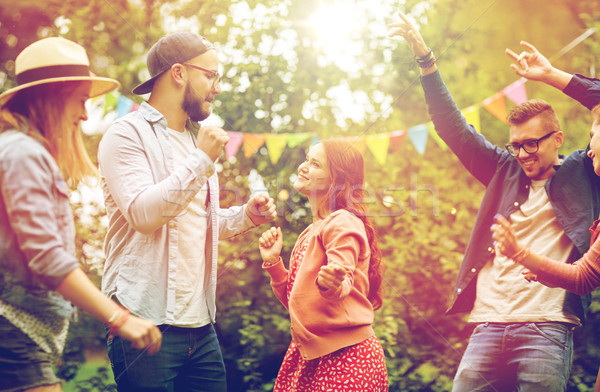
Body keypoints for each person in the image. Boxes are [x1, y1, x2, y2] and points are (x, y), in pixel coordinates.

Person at [389, 12, 600, 392]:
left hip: (547, 327)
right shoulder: (503, 169)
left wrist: (551, 75)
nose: (521, 154)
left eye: (531, 143)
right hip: (486, 325)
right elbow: (451, 127)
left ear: (557, 138)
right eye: (515, 145)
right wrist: (426, 61)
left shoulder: (586, 171)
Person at [97, 32, 277, 391]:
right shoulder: (126, 135)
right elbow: (144, 216)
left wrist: (246, 216)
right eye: (211, 75)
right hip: (144, 319)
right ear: (178, 73)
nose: (217, 87)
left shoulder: (197, 140)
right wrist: (202, 160)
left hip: (201, 327)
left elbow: (193, 220)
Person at [0, 37, 162, 392]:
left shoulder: (24, 151)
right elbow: (46, 258)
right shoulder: (23, 154)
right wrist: (119, 318)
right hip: (14, 332)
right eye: (81, 101)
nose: (86, 114)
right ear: (55, 97)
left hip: (26, 337)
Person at [491, 41, 600, 391]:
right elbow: (584, 277)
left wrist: (552, 75)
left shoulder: (579, 173)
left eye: (595, 133)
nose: (591, 143)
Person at [258, 139, 388, 392]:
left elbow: (342, 276)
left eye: (315, 164)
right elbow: (299, 302)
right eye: (307, 159)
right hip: (310, 358)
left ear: (336, 180)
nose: (303, 167)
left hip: (347, 358)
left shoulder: (342, 222)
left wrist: (335, 283)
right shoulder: (310, 231)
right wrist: (273, 263)